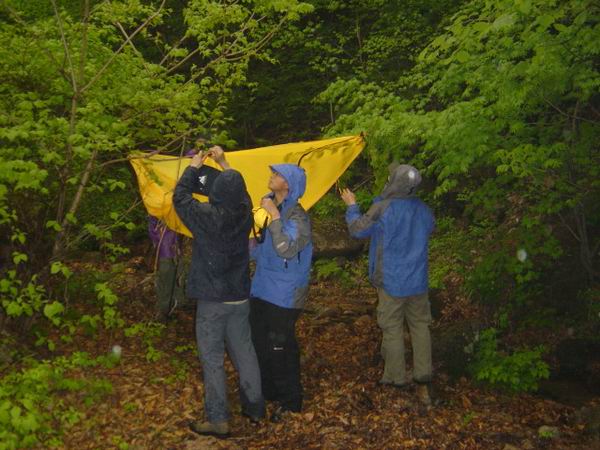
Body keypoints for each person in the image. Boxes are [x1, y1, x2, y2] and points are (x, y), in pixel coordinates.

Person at [173, 147, 265, 438]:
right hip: (239, 296)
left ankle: (217, 419)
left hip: (212, 300)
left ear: (215, 193)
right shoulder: (244, 214)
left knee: (212, 358)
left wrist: (194, 166)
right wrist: (224, 162)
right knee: (245, 352)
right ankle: (255, 408)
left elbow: (180, 198)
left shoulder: (206, 216)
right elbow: (243, 194)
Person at [340, 163, 435, 406]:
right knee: (420, 326)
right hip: (418, 281)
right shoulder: (423, 209)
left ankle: (396, 379)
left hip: (392, 280)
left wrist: (351, 206)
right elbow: (429, 229)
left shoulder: (383, 208)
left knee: (392, 328)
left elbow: (358, 230)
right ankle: (423, 379)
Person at [249, 164, 313, 422]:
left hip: (285, 293)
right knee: (260, 342)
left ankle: (291, 401)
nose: (271, 176)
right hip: (262, 288)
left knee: (281, 346)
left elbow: (286, 248)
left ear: (288, 184)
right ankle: (270, 392)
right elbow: (264, 251)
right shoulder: (269, 209)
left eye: (277, 174)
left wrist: (275, 216)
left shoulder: (298, 217)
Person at [147, 215, 185, 323]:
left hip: (176, 250)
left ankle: (176, 306)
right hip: (165, 251)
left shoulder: (177, 211)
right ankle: (163, 309)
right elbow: (153, 230)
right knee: (165, 279)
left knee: (178, 278)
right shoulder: (157, 211)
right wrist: (160, 242)